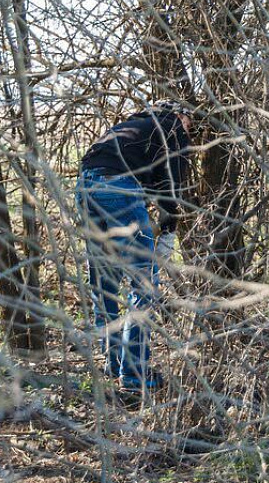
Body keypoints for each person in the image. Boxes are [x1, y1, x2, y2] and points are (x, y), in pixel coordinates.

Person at [76, 100, 194, 392]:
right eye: (190, 123)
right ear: (180, 115)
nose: (191, 131)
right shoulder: (172, 128)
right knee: (143, 285)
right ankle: (133, 375)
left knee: (104, 282)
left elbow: (149, 179)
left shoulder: (131, 127)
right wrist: (167, 232)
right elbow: (171, 184)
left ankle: (113, 363)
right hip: (119, 189)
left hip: (86, 187)